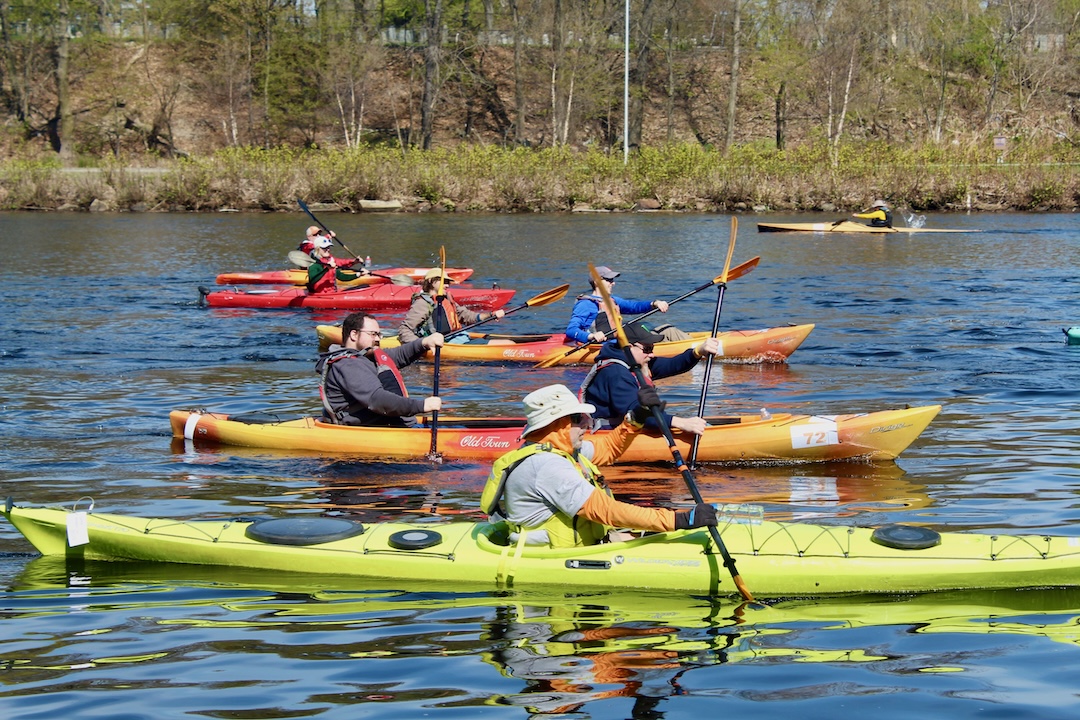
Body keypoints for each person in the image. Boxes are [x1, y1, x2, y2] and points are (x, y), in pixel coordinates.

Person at [480, 383, 717, 548]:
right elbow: (605, 510)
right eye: (577, 419)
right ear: (556, 425)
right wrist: (678, 520)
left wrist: (636, 418)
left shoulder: (565, 451)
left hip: (586, 545)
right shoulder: (546, 466)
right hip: (553, 558)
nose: (587, 424)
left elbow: (607, 449)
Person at [580, 322, 721, 435]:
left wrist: (697, 352)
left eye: (652, 349)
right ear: (628, 348)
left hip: (634, 425)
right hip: (609, 434)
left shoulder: (638, 363)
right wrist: (681, 423)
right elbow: (636, 413)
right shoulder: (615, 373)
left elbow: (672, 365)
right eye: (647, 349)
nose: (652, 354)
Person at [315, 311, 444, 426]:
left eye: (378, 335)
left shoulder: (366, 356)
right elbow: (378, 400)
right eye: (373, 334)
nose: (377, 339)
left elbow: (399, 355)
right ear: (354, 334)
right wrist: (422, 405)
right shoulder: (347, 365)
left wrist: (424, 342)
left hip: (386, 423)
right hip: (367, 430)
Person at [564, 265, 690, 345]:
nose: (613, 283)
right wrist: (591, 336)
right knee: (669, 333)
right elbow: (571, 330)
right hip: (608, 345)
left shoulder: (612, 300)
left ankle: (695, 346)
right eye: (609, 280)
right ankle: (697, 349)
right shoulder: (586, 304)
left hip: (622, 339)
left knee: (668, 328)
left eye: (612, 280)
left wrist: (654, 303)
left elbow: (633, 306)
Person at [398, 268, 505, 344]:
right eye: (444, 281)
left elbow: (467, 316)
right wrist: (421, 344)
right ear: (431, 281)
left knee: (506, 342)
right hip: (446, 343)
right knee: (505, 344)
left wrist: (490, 315)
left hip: (459, 338)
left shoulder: (447, 298)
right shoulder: (423, 303)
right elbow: (405, 330)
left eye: (448, 282)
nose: (447, 285)